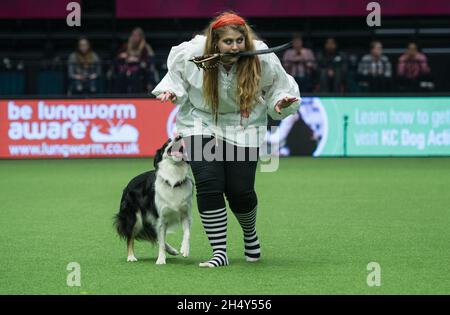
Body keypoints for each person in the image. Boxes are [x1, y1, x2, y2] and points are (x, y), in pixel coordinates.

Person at [152, 12, 300, 268]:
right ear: (216, 42)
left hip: (244, 126)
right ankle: (219, 252)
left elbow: (279, 86)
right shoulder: (193, 53)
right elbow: (176, 77)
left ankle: (250, 233)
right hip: (200, 123)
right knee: (209, 184)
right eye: (228, 42)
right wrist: (171, 91)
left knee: (240, 193)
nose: (234, 46)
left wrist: (280, 102)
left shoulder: (261, 57)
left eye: (239, 41)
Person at [114, 27, 159, 93]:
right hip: (127, 67)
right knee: (121, 75)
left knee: (135, 76)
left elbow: (148, 60)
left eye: (136, 36)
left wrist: (137, 60)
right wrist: (123, 56)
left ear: (141, 37)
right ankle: (120, 96)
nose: (134, 37)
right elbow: (118, 56)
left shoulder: (145, 47)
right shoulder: (126, 45)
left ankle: (136, 95)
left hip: (140, 69)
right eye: (133, 35)